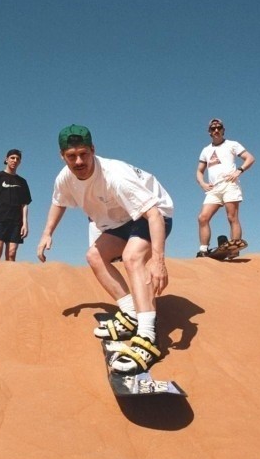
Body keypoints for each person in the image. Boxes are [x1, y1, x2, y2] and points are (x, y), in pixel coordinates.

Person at [36, 125, 174, 374]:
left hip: (155, 214)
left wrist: (158, 261)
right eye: (71, 156)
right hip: (120, 221)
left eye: (83, 154)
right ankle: (131, 315)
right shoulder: (64, 178)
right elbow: (58, 202)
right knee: (94, 256)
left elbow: (154, 215)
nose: (79, 161)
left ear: (93, 150)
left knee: (132, 258)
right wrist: (47, 233)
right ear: (62, 156)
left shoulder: (115, 176)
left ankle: (148, 336)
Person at [195, 118, 255, 257]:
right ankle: (203, 250)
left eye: (219, 127)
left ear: (223, 130)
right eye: (213, 128)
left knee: (232, 216)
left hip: (229, 185)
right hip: (214, 189)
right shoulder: (206, 150)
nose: (216, 130)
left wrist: (239, 171)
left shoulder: (232, 144)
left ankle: (234, 249)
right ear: (209, 132)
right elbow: (199, 171)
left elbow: (250, 158)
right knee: (203, 217)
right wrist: (202, 183)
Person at [0, 149, 32, 261]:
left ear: (20, 162)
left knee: (11, 253)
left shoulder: (22, 182)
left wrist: (25, 223)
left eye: (17, 159)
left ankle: (9, 273)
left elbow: (24, 204)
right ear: (6, 159)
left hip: (16, 222)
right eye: (12, 158)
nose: (15, 160)